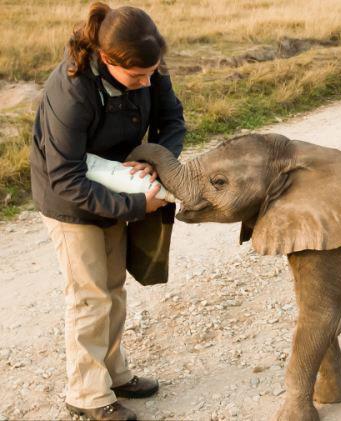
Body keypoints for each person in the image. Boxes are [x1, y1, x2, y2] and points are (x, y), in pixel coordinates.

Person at [30, 2, 185, 419]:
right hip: (69, 202)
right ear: (106, 58)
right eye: (137, 76)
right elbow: (64, 177)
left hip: (117, 186)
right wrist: (136, 204)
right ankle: (86, 394)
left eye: (151, 73)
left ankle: (113, 373)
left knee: (113, 288)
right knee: (89, 297)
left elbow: (173, 121)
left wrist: (154, 161)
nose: (147, 81)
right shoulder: (71, 90)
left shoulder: (149, 67)